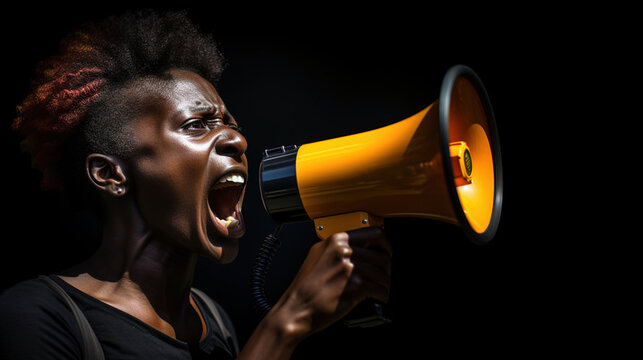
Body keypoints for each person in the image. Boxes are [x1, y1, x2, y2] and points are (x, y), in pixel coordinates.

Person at [0, 9, 392, 360]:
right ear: (110, 174)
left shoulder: (212, 320)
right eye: (195, 125)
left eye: (231, 124)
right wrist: (288, 321)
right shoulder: (38, 316)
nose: (237, 140)